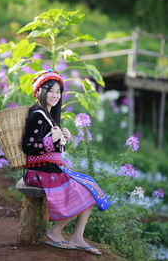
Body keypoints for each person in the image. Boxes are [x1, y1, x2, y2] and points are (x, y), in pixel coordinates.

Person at [22, 70, 111, 255]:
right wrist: (51, 140)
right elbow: (28, 146)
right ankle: (54, 231)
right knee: (84, 190)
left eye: (58, 92)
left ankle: (77, 237)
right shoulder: (37, 115)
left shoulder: (49, 114)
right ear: (40, 91)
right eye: (51, 91)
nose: (55, 95)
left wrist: (61, 137)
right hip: (38, 172)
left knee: (90, 185)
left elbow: (51, 147)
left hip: (50, 168)